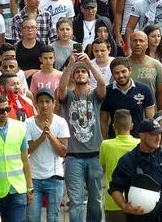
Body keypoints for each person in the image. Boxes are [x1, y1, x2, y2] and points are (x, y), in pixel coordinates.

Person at [57, 50, 107, 222]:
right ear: (73, 76)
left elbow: (102, 84)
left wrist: (90, 64)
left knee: (96, 199)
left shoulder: (94, 95)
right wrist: (71, 64)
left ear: (87, 75)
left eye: (82, 71)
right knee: (76, 200)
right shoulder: (68, 96)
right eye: (77, 72)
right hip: (72, 157)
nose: (80, 74)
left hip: (94, 155)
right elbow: (61, 89)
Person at [26, 88, 69, 222]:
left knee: (53, 217)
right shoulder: (28, 123)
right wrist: (41, 138)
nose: (44, 105)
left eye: (47, 102)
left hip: (55, 177)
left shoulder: (60, 122)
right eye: (41, 102)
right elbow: (27, 150)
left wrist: (50, 135)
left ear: (53, 103)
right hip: (34, 178)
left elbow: (63, 152)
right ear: (36, 104)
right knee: (32, 217)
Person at [99, 109, 141, 222]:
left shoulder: (105, 145)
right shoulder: (140, 144)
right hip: (137, 200)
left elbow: (102, 167)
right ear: (131, 126)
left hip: (113, 200)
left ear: (113, 126)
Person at [101, 57, 155, 138]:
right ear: (112, 74)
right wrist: (104, 140)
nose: (121, 75)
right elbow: (103, 121)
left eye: (123, 71)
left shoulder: (144, 90)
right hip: (115, 141)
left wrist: (147, 140)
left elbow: (150, 120)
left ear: (130, 70)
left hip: (138, 141)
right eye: (117, 73)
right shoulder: (107, 92)